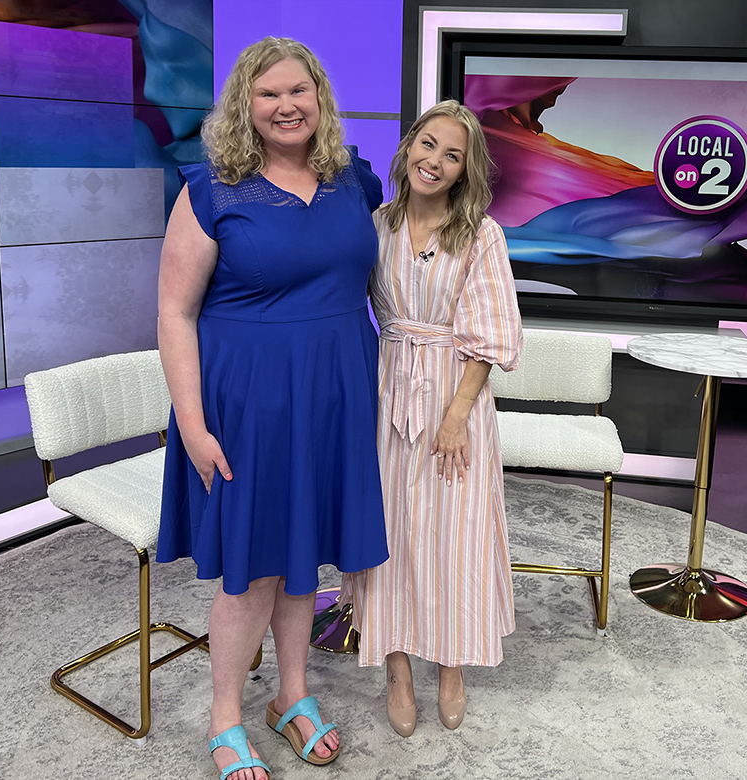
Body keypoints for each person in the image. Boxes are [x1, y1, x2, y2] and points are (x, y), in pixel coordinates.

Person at [155, 37, 389, 780]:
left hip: (336, 393)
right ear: (244, 107)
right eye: (268, 94)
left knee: (304, 554)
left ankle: (291, 696)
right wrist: (192, 425)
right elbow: (172, 314)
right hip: (248, 402)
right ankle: (226, 718)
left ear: (319, 97)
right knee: (253, 569)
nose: (286, 106)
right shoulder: (211, 189)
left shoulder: (356, 178)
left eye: (299, 91)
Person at [341, 100, 523, 737]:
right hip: (386, 389)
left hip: (455, 394)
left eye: (453, 155)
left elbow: (491, 335)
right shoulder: (375, 224)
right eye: (427, 144)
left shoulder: (480, 233)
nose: (435, 162)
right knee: (389, 532)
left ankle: (451, 665)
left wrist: (456, 417)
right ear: (407, 146)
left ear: (465, 171)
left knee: (454, 535)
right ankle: (394, 666)